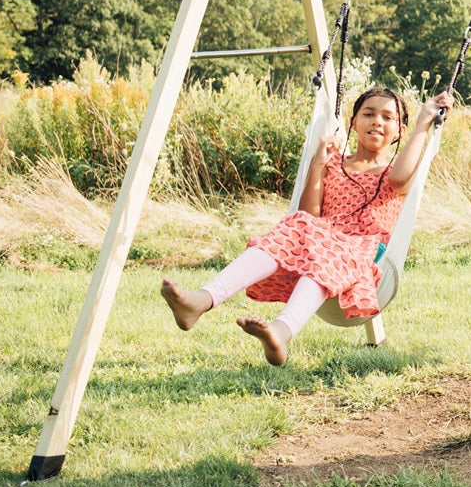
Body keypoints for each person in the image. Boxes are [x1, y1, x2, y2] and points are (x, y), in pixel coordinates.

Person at [160, 86, 451, 365]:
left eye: (388, 117)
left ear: (400, 131)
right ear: (353, 122)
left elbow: (399, 179)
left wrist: (424, 123)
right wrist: (317, 165)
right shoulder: (333, 164)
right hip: (321, 249)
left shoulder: (396, 172)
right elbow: (307, 216)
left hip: (363, 255)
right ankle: (203, 299)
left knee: (325, 247)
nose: (377, 121)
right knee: (298, 224)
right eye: (368, 114)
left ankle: (282, 330)